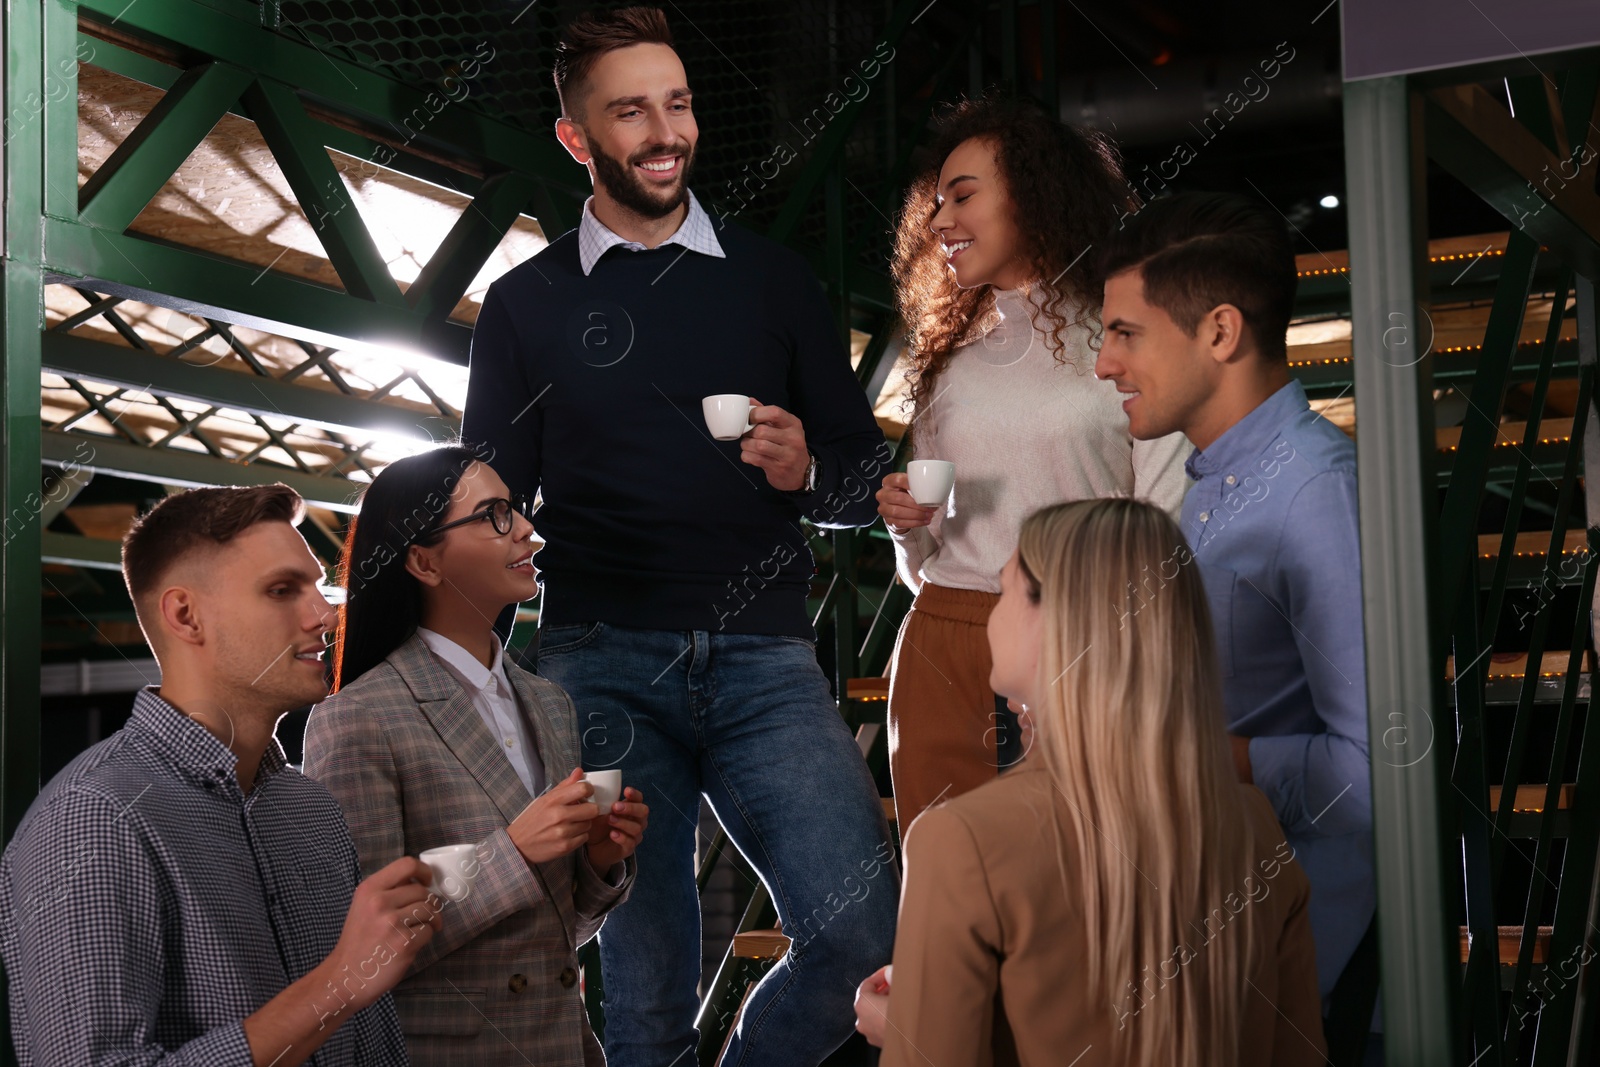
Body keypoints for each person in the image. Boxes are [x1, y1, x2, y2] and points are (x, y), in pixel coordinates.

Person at [460, 8, 898, 1065]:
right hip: (599, 664)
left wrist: (809, 473)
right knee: (645, 999)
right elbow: (494, 504)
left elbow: (860, 478)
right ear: (577, 139)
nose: (666, 132)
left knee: (864, 934)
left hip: (765, 660)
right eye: (631, 111)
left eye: (678, 102)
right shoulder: (524, 305)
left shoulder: (775, 279)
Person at [854, 499, 1325, 1066]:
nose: (991, 617)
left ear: (1054, 622)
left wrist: (909, 1027)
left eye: (1003, 593)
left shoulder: (958, 842)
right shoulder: (1253, 823)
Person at [0, 484, 433, 1067]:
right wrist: (337, 983)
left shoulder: (312, 809)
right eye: (282, 590)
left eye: (317, 586)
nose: (326, 614)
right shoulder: (94, 816)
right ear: (186, 615)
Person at [875, 95, 1191, 829]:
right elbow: (923, 567)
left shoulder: (1130, 346)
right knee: (946, 899)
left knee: (1080, 894)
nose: (940, 220)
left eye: (963, 195)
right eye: (936, 201)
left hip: (1087, 640)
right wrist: (906, 524)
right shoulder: (949, 367)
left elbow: (1166, 530)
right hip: (943, 642)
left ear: (1034, 193)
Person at [1094, 192, 1374, 1015]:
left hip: (1303, 952)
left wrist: (1209, 758)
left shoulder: (1317, 491)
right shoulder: (1217, 479)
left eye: (1124, 333)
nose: (1105, 363)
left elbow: (1375, 775)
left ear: (1219, 332)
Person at [303, 446, 645, 1066]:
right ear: (423, 561)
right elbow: (360, 951)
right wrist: (512, 851)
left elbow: (553, 931)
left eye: (516, 510)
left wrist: (598, 862)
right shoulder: (357, 718)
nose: (528, 532)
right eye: (493, 516)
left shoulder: (549, 703)